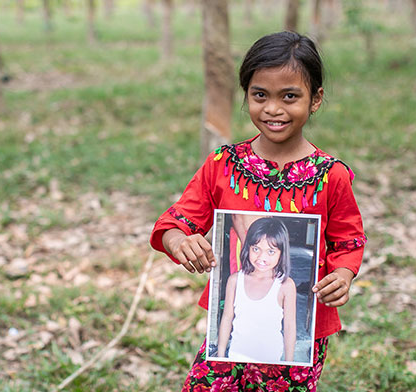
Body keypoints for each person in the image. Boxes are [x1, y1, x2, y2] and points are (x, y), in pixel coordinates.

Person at [149, 31, 367, 391]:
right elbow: (176, 222)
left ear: (315, 100)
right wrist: (178, 241)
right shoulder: (224, 165)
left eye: (290, 96)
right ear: (246, 95)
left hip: (300, 331)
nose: (273, 109)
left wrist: (343, 275)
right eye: (260, 95)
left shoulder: (331, 176)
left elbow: (348, 240)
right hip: (234, 328)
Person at [216, 217, 296, 364]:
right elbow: (227, 318)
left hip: (271, 361)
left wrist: (289, 363)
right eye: (256, 249)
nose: (261, 257)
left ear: (281, 253)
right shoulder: (235, 281)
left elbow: (290, 326)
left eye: (271, 251)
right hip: (236, 357)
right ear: (248, 247)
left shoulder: (285, 285)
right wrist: (221, 355)